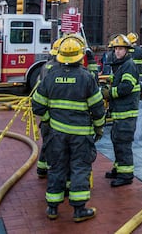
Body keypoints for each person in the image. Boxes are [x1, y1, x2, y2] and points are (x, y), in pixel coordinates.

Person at [32, 36, 105, 222]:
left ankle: (52, 208)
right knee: (80, 168)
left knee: (57, 168)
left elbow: (37, 106)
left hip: (57, 134)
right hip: (81, 135)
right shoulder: (87, 78)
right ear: (80, 57)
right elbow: (97, 109)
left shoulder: (51, 77)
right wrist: (99, 129)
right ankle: (79, 210)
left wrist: (49, 120)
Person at [102, 34, 140, 187]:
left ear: (127, 50)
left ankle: (126, 175)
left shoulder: (128, 65)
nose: (118, 52)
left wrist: (109, 93)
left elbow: (126, 87)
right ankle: (118, 169)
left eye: (121, 49)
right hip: (120, 113)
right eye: (116, 49)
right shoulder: (119, 65)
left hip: (127, 113)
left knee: (123, 144)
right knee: (117, 141)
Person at [36, 36, 64, 179]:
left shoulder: (45, 66)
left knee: (46, 141)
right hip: (53, 115)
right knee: (53, 144)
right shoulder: (57, 69)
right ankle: (49, 169)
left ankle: (41, 167)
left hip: (45, 114)